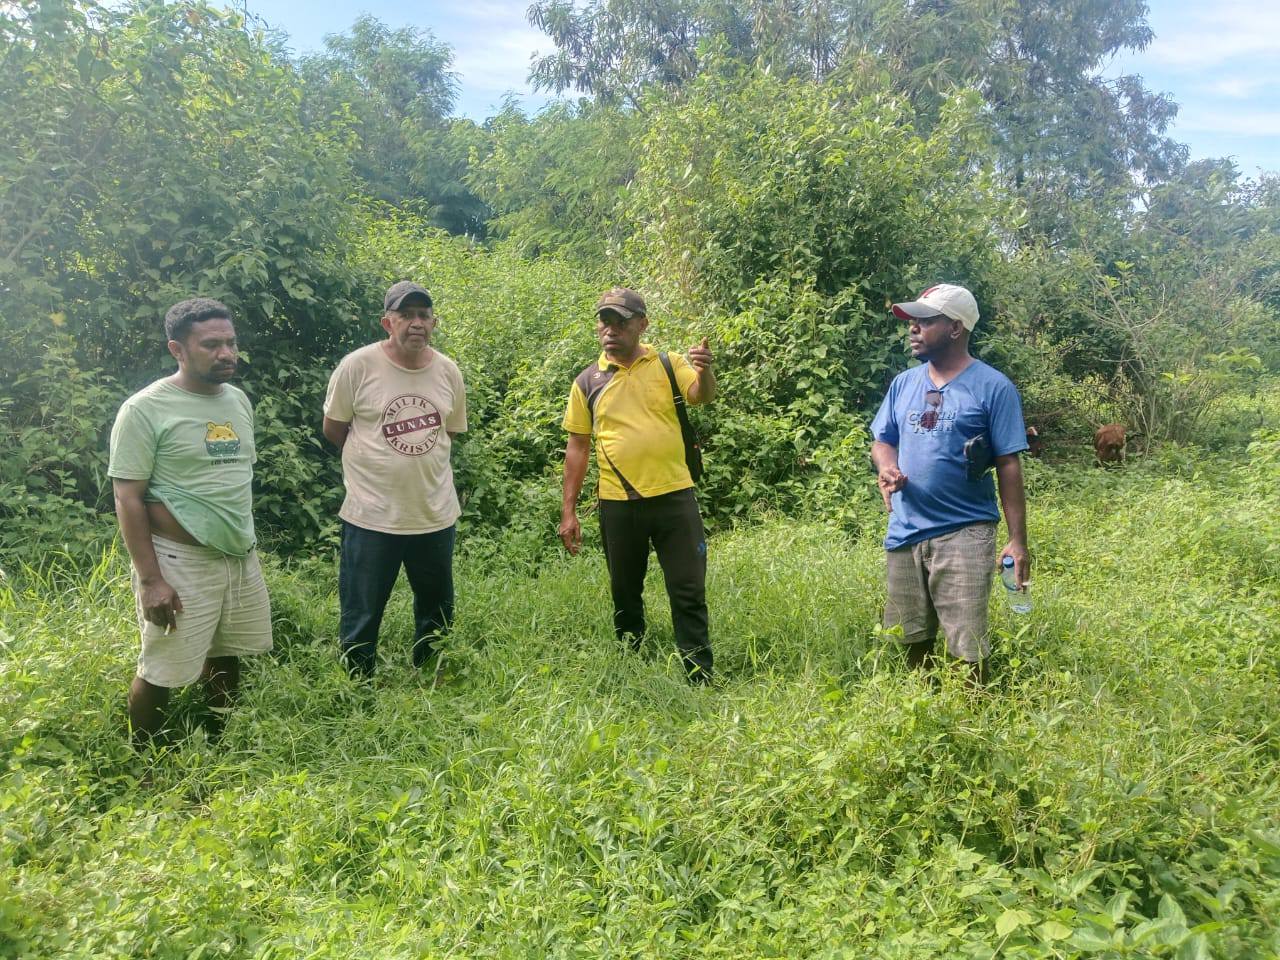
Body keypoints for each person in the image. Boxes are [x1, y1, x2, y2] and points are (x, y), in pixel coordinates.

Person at [108, 298, 272, 745]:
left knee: (228, 654)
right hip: (177, 559)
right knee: (161, 668)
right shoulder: (145, 409)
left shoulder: (238, 401)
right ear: (177, 350)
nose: (226, 353)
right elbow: (127, 497)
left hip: (237, 555)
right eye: (211, 345)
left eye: (231, 343)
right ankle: (142, 760)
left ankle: (220, 740)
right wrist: (150, 580)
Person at [869, 283, 1030, 684]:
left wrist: (1018, 540)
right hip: (905, 530)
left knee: (967, 645)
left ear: (956, 328)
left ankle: (973, 721)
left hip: (965, 531)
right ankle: (923, 711)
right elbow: (883, 439)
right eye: (912, 322)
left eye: (925, 321)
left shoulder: (994, 388)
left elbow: (1008, 464)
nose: (913, 329)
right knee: (910, 637)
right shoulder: (904, 384)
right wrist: (887, 468)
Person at [558, 287, 718, 684]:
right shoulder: (587, 382)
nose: (611, 330)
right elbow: (577, 447)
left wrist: (704, 371)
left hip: (674, 496)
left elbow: (700, 396)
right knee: (625, 592)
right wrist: (569, 510)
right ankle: (631, 665)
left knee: (687, 589)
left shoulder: (668, 363)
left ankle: (699, 673)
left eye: (621, 321)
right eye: (605, 321)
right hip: (618, 503)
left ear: (642, 324)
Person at [322, 281, 467, 678]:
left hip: (433, 512)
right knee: (362, 609)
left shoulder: (448, 371)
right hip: (371, 515)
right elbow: (335, 428)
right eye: (406, 315)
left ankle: (433, 674)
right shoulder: (358, 366)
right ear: (388, 322)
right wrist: (372, 463)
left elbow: (447, 432)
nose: (416, 323)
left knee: (436, 608)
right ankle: (357, 680)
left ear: (434, 322)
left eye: (423, 315)